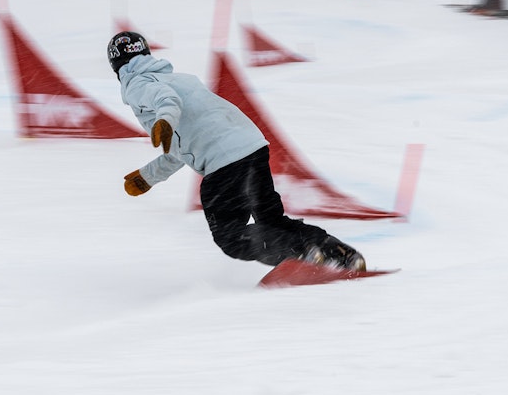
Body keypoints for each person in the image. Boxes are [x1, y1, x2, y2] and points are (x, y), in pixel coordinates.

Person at [108, 31, 366, 270]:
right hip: (251, 147)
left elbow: (167, 102)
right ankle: (335, 251)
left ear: (117, 67)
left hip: (224, 164)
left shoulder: (136, 84)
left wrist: (164, 120)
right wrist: (148, 176)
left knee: (230, 236)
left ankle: (303, 253)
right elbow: (180, 145)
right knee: (271, 220)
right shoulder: (180, 79)